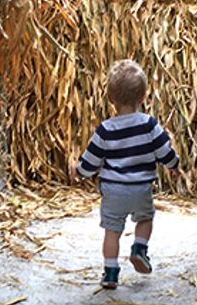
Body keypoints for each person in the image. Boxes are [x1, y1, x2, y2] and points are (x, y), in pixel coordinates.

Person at [75, 59, 179, 288]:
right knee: (145, 219)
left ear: (111, 98)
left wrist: (79, 171)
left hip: (113, 191)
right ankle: (139, 248)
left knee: (112, 231)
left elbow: (91, 161)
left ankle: (110, 273)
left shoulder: (106, 129)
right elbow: (164, 151)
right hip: (141, 189)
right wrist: (173, 165)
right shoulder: (149, 125)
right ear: (142, 98)